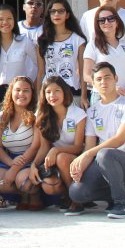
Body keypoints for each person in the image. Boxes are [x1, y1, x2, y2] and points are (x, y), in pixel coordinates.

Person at [68, 62, 125, 219]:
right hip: (104, 162)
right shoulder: (92, 111)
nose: (103, 82)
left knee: (105, 154)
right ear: (93, 83)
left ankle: (122, 204)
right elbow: (89, 147)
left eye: (107, 77)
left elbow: (119, 140)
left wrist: (87, 154)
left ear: (116, 79)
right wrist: (81, 165)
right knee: (77, 192)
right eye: (99, 79)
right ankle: (114, 195)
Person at [29, 76, 86, 213]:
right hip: (55, 159)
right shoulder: (41, 114)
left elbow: (79, 147)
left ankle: (76, 198)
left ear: (64, 92)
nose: (52, 96)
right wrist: (33, 165)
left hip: (77, 157)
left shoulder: (78, 113)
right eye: (48, 92)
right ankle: (65, 194)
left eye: (57, 91)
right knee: (50, 186)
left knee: (62, 158)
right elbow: (44, 147)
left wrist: (56, 151)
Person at [0, 76, 42, 211]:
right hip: (11, 159)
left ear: (32, 93)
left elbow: (35, 146)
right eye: (17, 90)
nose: (21, 94)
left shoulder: (36, 114)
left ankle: (36, 195)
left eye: (26, 90)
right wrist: (11, 163)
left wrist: (14, 169)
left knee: (22, 181)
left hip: (32, 159)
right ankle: (22, 196)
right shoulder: (2, 116)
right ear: (11, 93)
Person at [0, 4, 37, 123]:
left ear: (14, 20)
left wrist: (31, 85)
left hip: (19, 95)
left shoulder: (24, 41)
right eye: (1, 19)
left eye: (9, 18)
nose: (5, 22)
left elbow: (38, 64)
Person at [82, 5, 125, 104]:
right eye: (102, 20)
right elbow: (86, 75)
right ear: (98, 24)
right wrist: (110, 87)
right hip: (102, 97)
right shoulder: (92, 45)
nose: (106, 22)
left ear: (117, 22)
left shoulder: (124, 45)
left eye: (111, 18)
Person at [36, 0, 87, 106]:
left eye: (61, 11)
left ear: (67, 15)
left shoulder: (78, 40)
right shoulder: (42, 40)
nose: (57, 14)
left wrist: (83, 96)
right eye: (53, 11)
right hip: (49, 93)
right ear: (49, 15)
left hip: (71, 91)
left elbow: (83, 70)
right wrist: (39, 98)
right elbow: (40, 72)